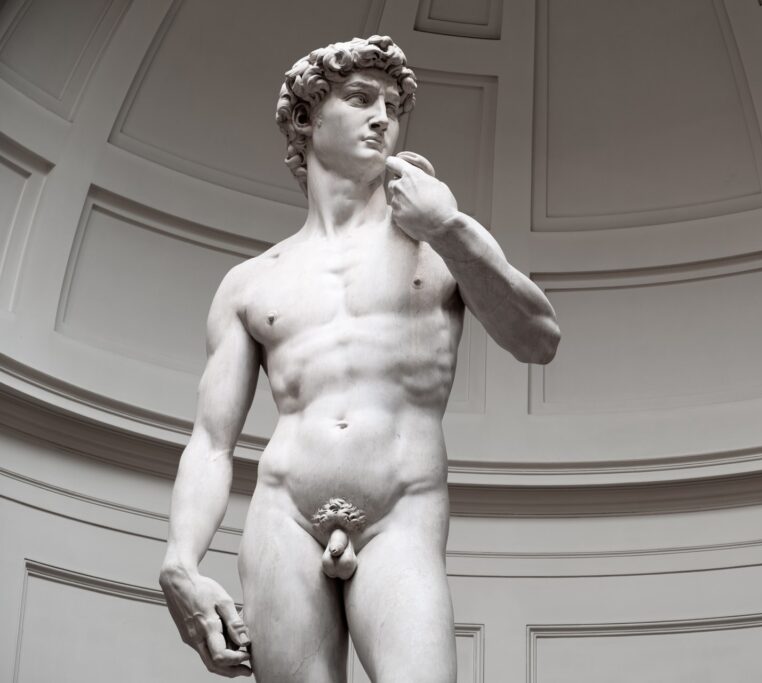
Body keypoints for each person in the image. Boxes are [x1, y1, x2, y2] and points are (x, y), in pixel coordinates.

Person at [158, 35, 560, 682]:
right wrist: (181, 559)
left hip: (400, 515)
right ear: (305, 118)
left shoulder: (439, 241)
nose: (383, 118)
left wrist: (448, 228)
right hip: (283, 517)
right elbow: (210, 441)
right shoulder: (251, 282)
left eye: (393, 107)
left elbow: (538, 338)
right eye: (361, 99)